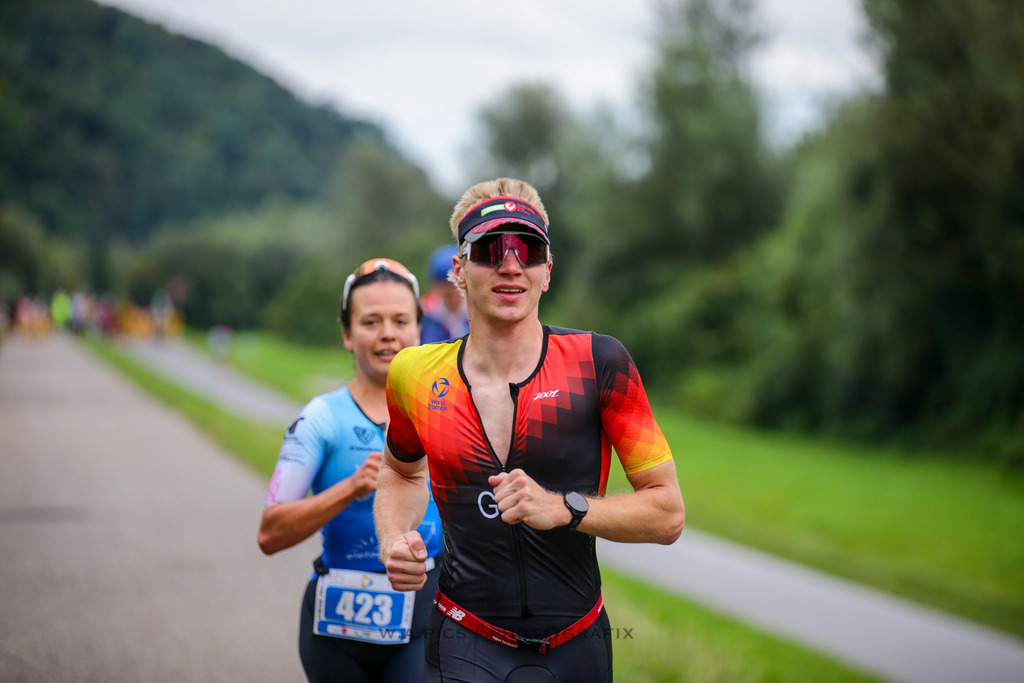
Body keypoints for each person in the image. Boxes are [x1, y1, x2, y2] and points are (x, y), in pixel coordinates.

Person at [374, 178, 685, 681]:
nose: (511, 265)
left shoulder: (599, 362)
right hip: (462, 637)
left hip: (577, 645)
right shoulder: (414, 372)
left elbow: (667, 512)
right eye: (491, 248)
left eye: (529, 249)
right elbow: (400, 474)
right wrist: (394, 538)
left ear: (547, 272)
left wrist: (564, 508)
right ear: (459, 269)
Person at [258, 258, 444, 683]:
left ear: (419, 328)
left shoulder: (445, 416)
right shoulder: (320, 419)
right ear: (346, 334)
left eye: (400, 320)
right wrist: (351, 488)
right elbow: (269, 533)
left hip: (423, 617)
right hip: (335, 633)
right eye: (370, 321)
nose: (387, 334)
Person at [418, 244, 469, 344]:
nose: (451, 291)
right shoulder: (425, 315)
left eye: (454, 285)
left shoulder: (478, 312)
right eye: (445, 286)